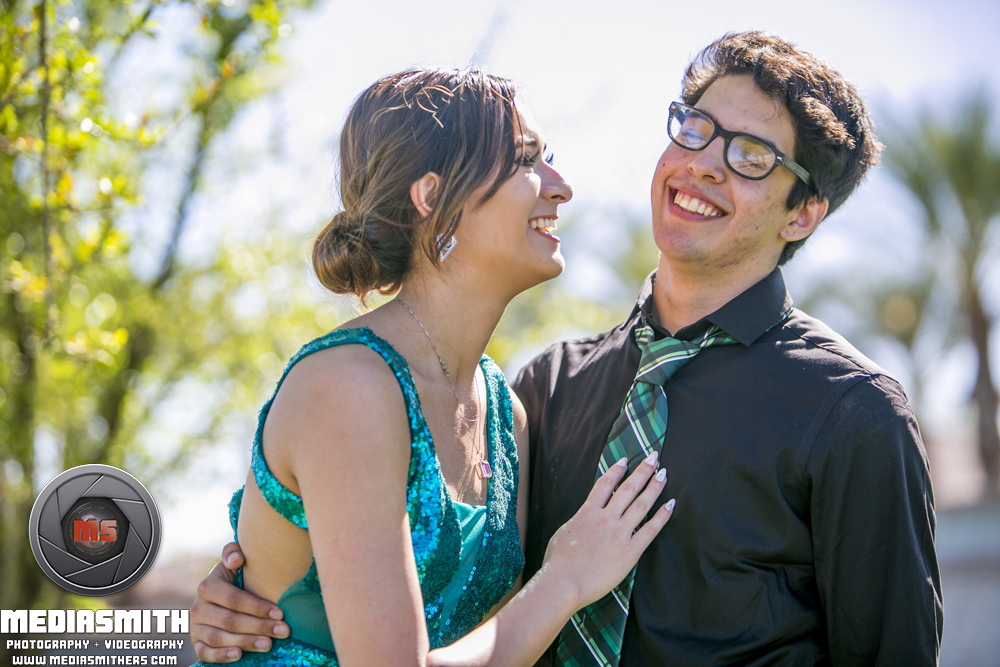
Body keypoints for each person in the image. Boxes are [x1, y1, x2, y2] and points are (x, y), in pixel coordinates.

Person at [191, 33, 944, 666]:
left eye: (752, 156)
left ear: (804, 212)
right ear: (431, 198)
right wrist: (246, 598)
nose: (706, 162)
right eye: (697, 128)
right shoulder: (545, 391)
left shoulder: (854, 416)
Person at [190, 67, 677, 667]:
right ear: (431, 197)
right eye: (527, 160)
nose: (561, 186)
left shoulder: (508, 416)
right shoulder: (348, 387)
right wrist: (564, 582)